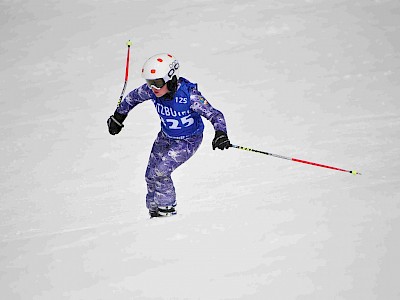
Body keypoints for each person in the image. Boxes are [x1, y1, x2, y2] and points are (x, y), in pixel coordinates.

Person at [107, 53, 231, 218]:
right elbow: (132, 98)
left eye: (157, 83)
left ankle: (167, 212)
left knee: (161, 172)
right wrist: (118, 117)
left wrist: (220, 133)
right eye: (150, 83)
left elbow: (215, 115)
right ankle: (154, 213)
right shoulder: (151, 91)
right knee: (150, 176)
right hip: (166, 137)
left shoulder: (189, 96)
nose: (153, 88)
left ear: (171, 79)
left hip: (188, 140)